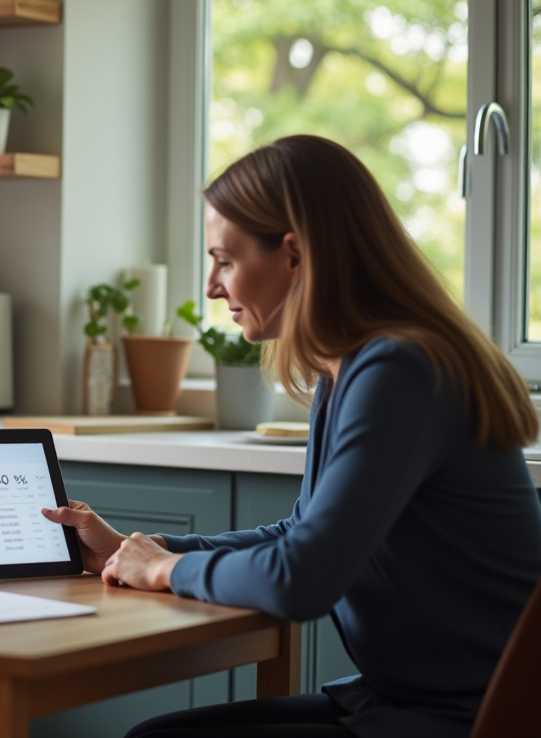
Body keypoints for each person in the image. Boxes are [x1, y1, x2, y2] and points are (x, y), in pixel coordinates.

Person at [43, 135, 541, 738]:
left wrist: (165, 570)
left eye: (224, 260)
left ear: (295, 255)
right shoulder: (348, 370)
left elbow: (302, 577)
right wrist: (139, 549)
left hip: (477, 717)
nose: (211, 286)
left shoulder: (401, 370)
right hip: (405, 701)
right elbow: (298, 536)